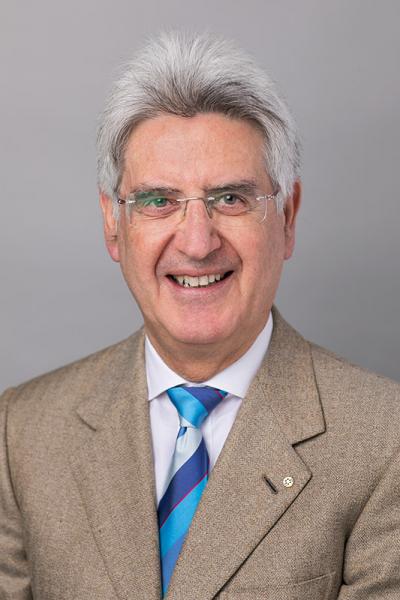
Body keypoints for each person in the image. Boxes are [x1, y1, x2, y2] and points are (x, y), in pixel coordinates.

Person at [1, 31, 399, 600]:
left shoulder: (385, 439)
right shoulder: (22, 433)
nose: (196, 241)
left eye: (230, 199)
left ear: (287, 217)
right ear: (113, 224)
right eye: (159, 201)